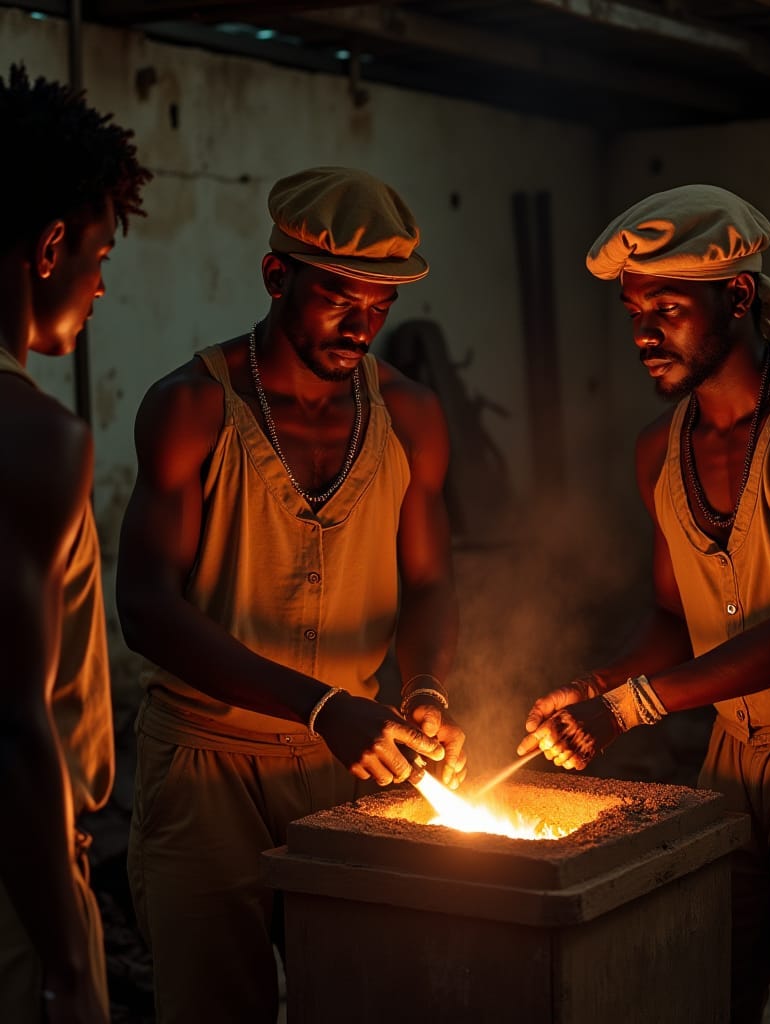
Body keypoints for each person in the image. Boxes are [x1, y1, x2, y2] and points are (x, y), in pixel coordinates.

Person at [518, 184, 770, 1023]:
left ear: (738, 295)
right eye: (635, 309)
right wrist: (600, 684)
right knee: (706, 985)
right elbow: (676, 620)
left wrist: (631, 708)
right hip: (736, 751)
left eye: (668, 306)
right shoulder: (659, 451)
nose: (643, 332)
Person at [116, 165, 466, 1023]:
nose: (363, 325)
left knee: (358, 993)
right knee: (212, 1004)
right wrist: (320, 708)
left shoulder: (410, 415)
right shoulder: (193, 407)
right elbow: (147, 608)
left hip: (352, 764)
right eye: (340, 297)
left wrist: (421, 690)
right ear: (278, 278)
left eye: (381, 306)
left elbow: (427, 585)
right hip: (206, 767)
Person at [0, 64, 150, 1024]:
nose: (98, 288)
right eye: (98, 257)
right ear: (51, 245)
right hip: (15, 883)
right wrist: (63, 960)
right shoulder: (34, 437)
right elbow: (9, 724)